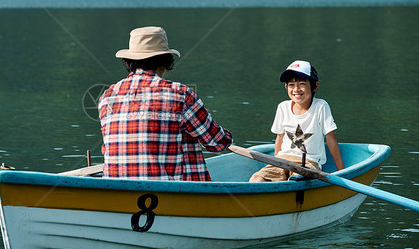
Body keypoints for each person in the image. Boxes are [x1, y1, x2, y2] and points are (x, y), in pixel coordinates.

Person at [98, 26, 233, 181]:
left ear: (130, 62)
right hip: (169, 189)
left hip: (117, 188)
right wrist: (227, 138)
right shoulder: (179, 93)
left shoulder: (107, 96)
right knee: (185, 134)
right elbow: (216, 143)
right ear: (165, 62)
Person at [249, 60, 344, 182]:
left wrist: (341, 171)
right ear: (286, 87)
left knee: (297, 178)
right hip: (283, 159)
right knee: (256, 179)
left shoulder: (321, 106)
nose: (296, 89)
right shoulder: (282, 107)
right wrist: (276, 162)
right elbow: (279, 138)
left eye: (302, 84)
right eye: (291, 85)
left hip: (308, 161)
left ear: (315, 86)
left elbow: (330, 138)